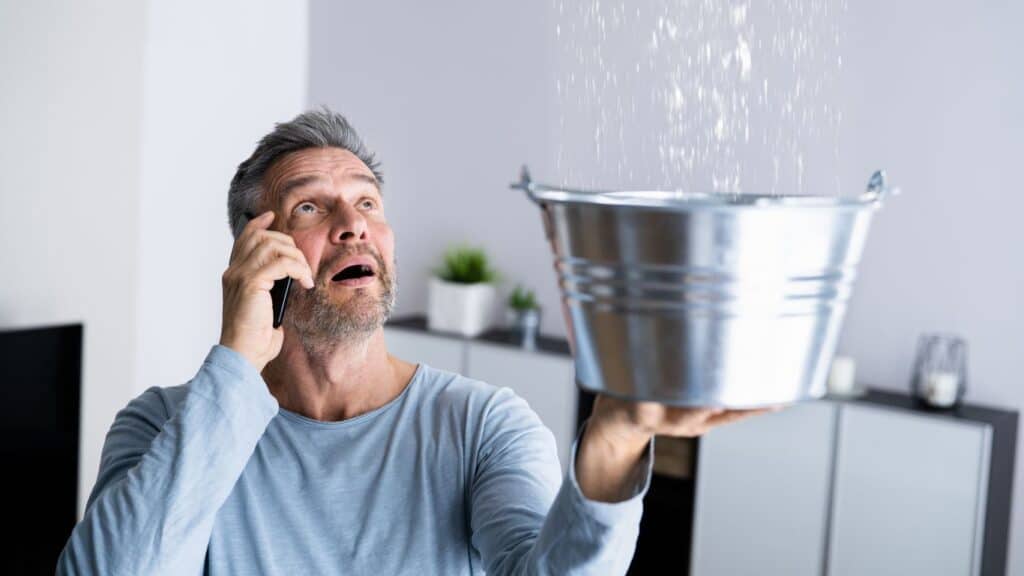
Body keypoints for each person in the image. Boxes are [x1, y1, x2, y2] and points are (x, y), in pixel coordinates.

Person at [56, 108, 766, 575]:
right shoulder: (161, 427)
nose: (353, 222)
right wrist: (238, 362)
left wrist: (611, 443)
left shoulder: (483, 425)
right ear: (254, 252)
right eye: (311, 204)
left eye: (368, 202)